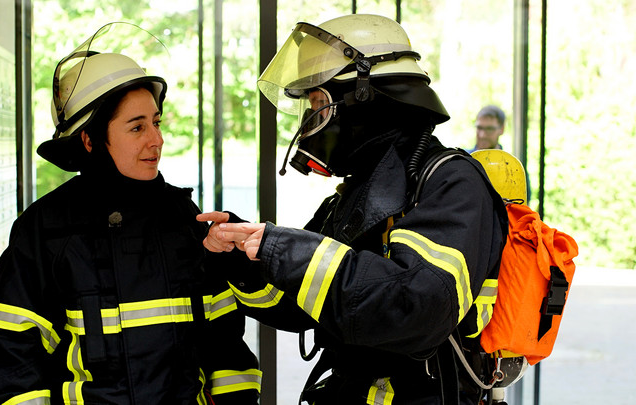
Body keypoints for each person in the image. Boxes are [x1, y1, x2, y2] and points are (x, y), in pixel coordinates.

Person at [198, 14, 508, 404]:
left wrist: (286, 249)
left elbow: (416, 307)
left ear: (366, 101)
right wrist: (245, 256)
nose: (311, 123)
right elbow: (300, 306)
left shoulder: (452, 184)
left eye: (318, 105)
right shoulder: (354, 196)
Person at [0, 24, 260, 405]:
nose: (156, 140)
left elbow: (224, 346)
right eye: (136, 127)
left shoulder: (186, 219)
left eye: (155, 122)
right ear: (89, 139)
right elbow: (7, 367)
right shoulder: (45, 230)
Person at [467, 105, 531, 202]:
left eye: (489, 129)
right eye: (479, 128)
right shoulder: (464, 160)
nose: (482, 134)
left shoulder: (514, 166)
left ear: (502, 129)